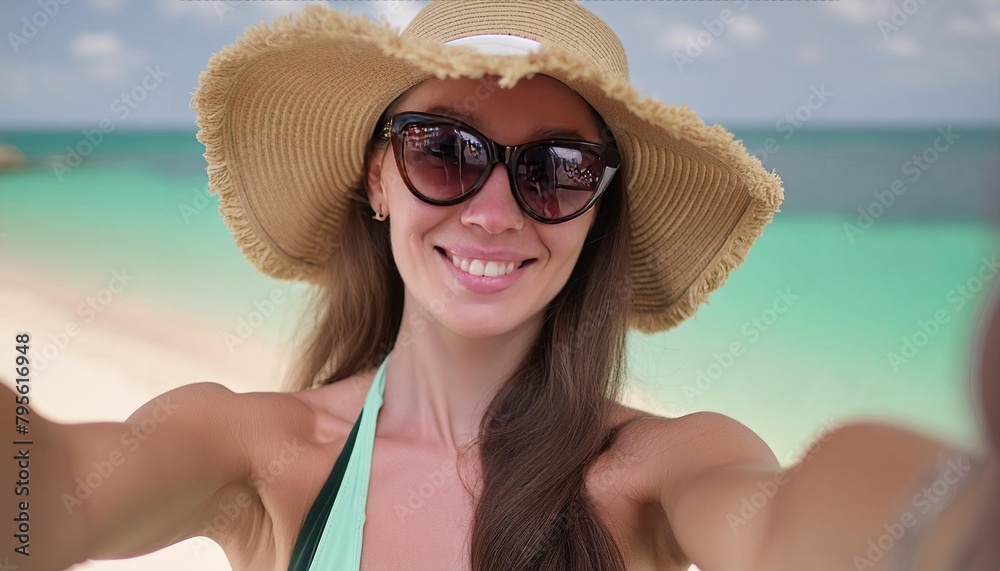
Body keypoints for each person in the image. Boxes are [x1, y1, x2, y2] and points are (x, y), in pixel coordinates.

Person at [2, 1, 997, 570]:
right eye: (444, 151)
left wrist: (949, 520)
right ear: (378, 179)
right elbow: (38, 502)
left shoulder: (654, 469)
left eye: (554, 169)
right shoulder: (263, 452)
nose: (492, 211)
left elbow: (794, 518)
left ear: (597, 208)